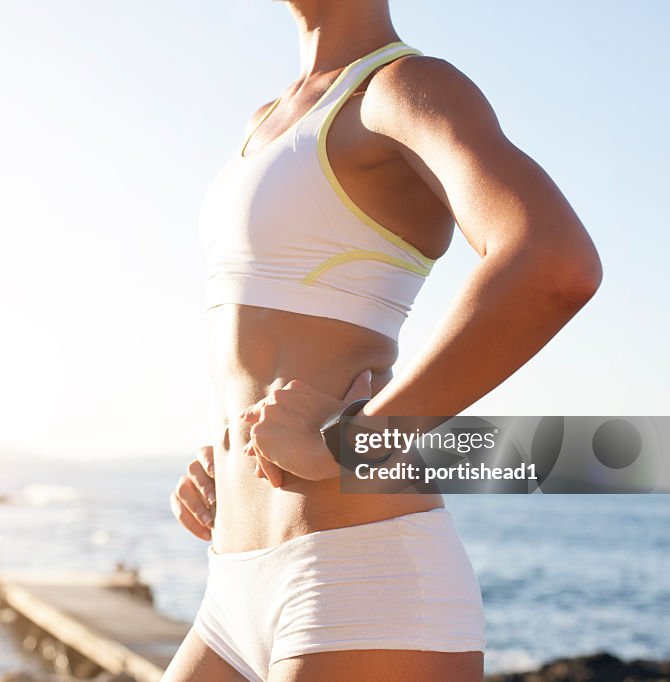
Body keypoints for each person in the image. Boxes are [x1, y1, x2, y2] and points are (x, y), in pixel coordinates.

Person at [166, 1, 601, 680]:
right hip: (230, 586)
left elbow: (552, 262)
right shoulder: (265, 121)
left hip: (361, 579)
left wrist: (362, 437)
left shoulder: (399, 90)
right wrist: (227, 455)